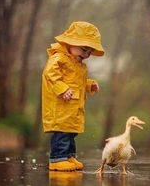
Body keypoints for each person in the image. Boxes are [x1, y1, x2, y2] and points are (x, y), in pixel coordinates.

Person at [42, 21, 105, 171]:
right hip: (61, 105)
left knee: (71, 133)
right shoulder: (59, 59)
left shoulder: (78, 64)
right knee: (62, 132)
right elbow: (50, 74)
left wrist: (89, 85)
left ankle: (69, 156)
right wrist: (62, 88)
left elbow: (77, 82)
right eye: (83, 49)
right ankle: (57, 159)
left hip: (73, 107)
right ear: (70, 42)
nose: (86, 54)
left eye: (89, 52)